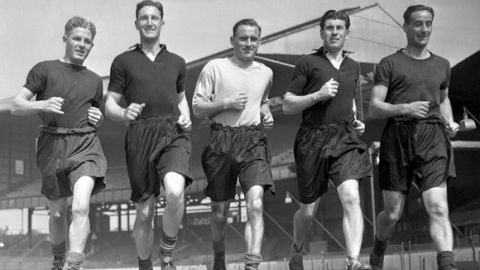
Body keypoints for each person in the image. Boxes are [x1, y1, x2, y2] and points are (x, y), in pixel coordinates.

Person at [10, 16, 106, 270]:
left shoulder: (96, 81)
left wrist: (98, 117)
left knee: (81, 204)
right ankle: (57, 261)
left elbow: (93, 116)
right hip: (52, 144)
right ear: (65, 39)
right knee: (57, 214)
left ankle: (73, 264)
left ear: (92, 46)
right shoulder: (44, 69)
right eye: (77, 39)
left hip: (85, 144)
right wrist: (41, 103)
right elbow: (16, 106)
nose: (82, 44)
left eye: (88, 41)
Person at [368, 5, 459, 270]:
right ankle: (378, 250)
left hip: (432, 137)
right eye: (418, 24)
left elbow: (443, 99)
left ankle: (447, 265)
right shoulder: (389, 64)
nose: (424, 29)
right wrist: (404, 108)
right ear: (405, 26)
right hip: (397, 137)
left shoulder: (442, 64)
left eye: (428, 23)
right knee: (393, 213)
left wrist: (449, 121)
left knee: (438, 206)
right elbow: (374, 106)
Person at [104, 1, 192, 270]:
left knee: (176, 191)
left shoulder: (177, 62)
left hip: (172, 132)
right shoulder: (123, 61)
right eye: (144, 18)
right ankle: (145, 264)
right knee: (144, 214)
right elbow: (110, 105)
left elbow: (181, 98)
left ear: (162, 23)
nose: (150, 22)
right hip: (140, 135)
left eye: (155, 17)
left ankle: (166, 255)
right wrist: (122, 113)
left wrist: (186, 114)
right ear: (136, 23)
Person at [283, 10, 372, 270]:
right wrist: (317, 95)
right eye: (329, 28)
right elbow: (288, 104)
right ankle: (297, 249)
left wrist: (355, 118)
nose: (334, 32)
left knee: (351, 196)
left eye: (339, 28)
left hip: (344, 137)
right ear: (322, 33)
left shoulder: (353, 66)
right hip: (312, 139)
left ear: (347, 32)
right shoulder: (308, 63)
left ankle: (353, 261)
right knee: (308, 211)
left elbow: (350, 98)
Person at [192, 18, 275, 270]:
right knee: (219, 213)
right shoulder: (214, 68)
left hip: (254, 140)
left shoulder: (266, 73)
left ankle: (252, 265)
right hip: (222, 140)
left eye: (254, 39)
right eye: (243, 38)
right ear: (232, 41)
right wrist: (225, 103)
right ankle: (219, 258)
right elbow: (197, 108)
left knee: (256, 202)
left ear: (259, 42)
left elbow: (263, 100)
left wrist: (266, 113)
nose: (249, 43)